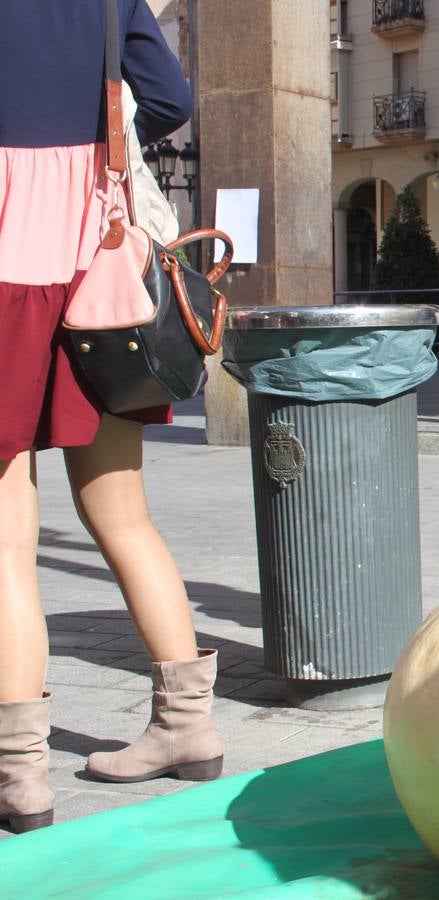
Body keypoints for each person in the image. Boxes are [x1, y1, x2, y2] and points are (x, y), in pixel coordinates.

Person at [0, 0, 223, 834]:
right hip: (102, 274)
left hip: (7, 275)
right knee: (125, 517)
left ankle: (20, 777)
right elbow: (168, 101)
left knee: (5, 540)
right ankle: (187, 725)